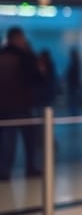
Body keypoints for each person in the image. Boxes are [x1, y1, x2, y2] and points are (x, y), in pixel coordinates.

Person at [0, 26, 44, 180]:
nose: (23, 40)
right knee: (13, 140)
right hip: (19, 104)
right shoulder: (24, 56)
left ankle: (6, 171)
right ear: (15, 38)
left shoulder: (4, 54)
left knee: (11, 140)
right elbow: (38, 76)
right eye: (21, 38)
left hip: (10, 105)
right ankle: (17, 169)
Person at [66, 48, 81, 115]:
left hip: (73, 84)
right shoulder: (75, 63)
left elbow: (71, 74)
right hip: (73, 84)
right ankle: (73, 112)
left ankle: (73, 113)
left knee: (73, 99)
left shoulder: (75, 63)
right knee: (73, 99)